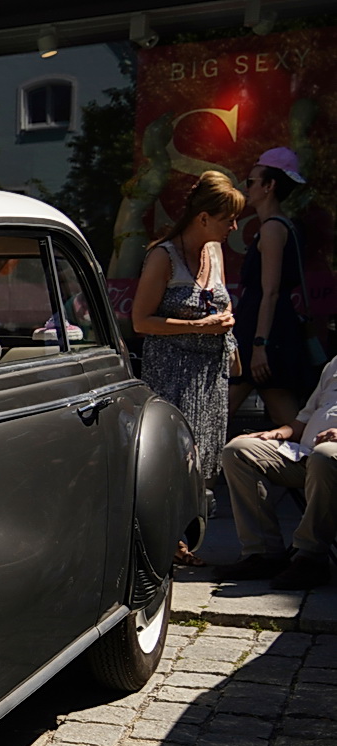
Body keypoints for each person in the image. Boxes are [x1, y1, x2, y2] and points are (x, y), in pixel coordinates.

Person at [131, 170, 244, 566]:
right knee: (173, 458)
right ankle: (163, 542)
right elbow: (141, 321)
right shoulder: (164, 256)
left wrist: (225, 319)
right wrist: (198, 326)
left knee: (201, 458)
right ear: (203, 218)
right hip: (172, 372)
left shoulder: (213, 252)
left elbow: (220, 302)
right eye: (228, 218)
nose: (234, 226)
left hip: (208, 373)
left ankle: (181, 538)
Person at [215, 354, 337, 590]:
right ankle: (263, 553)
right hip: (306, 453)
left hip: (329, 459)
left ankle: (311, 557)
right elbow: (304, 418)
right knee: (238, 450)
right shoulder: (334, 363)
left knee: (325, 456)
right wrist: (276, 433)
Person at [230, 148, 314, 425]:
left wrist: (259, 344)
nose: (247, 187)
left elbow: (271, 291)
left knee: (220, 412)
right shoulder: (278, 226)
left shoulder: (273, 229)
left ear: (270, 186)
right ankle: (308, 464)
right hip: (268, 328)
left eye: (252, 181)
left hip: (265, 329)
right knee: (284, 412)